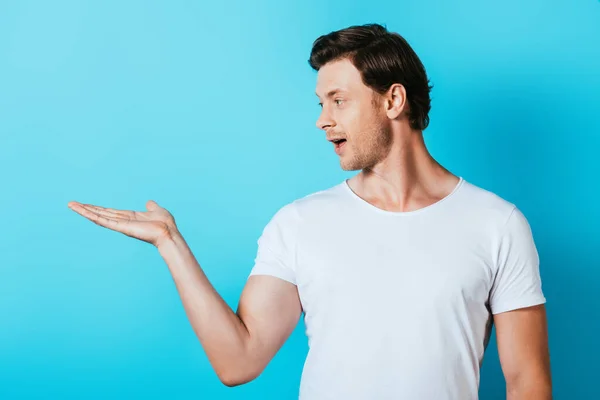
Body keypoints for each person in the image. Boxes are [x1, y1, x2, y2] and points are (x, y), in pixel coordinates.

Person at [67, 23, 552, 400]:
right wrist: (171, 245)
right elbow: (238, 362)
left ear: (393, 100)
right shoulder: (300, 224)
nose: (323, 119)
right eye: (321, 102)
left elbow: (528, 382)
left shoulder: (497, 224)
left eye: (339, 101)